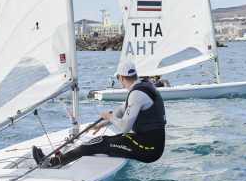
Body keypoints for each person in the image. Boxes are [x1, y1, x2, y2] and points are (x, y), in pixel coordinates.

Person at [32, 59, 165, 168]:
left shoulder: (136, 94)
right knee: (105, 140)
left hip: (149, 148)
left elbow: (125, 128)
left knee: (100, 142)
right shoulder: (143, 85)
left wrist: (110, 117)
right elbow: (122, 109)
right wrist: (103, 123)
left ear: (121, 77)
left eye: (119, 79)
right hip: (148, 142)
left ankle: (54, 163)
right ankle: (60, 160)